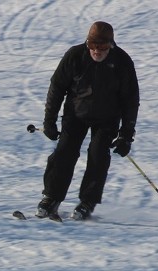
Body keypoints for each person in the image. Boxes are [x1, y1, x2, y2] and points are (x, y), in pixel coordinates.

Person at [36, 21, 139, 220]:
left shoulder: (122, 62)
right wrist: (49, 121)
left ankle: (87, 201)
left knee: (98, 155)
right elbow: (57, 88)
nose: (96, 51)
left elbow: (130, 100)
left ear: (111, 44)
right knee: (64, 151)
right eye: (92, 45)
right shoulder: (75, 56)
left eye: (101, 47)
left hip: (107, 118)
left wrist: (126, 135)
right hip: (76, 113)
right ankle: (51, 198)